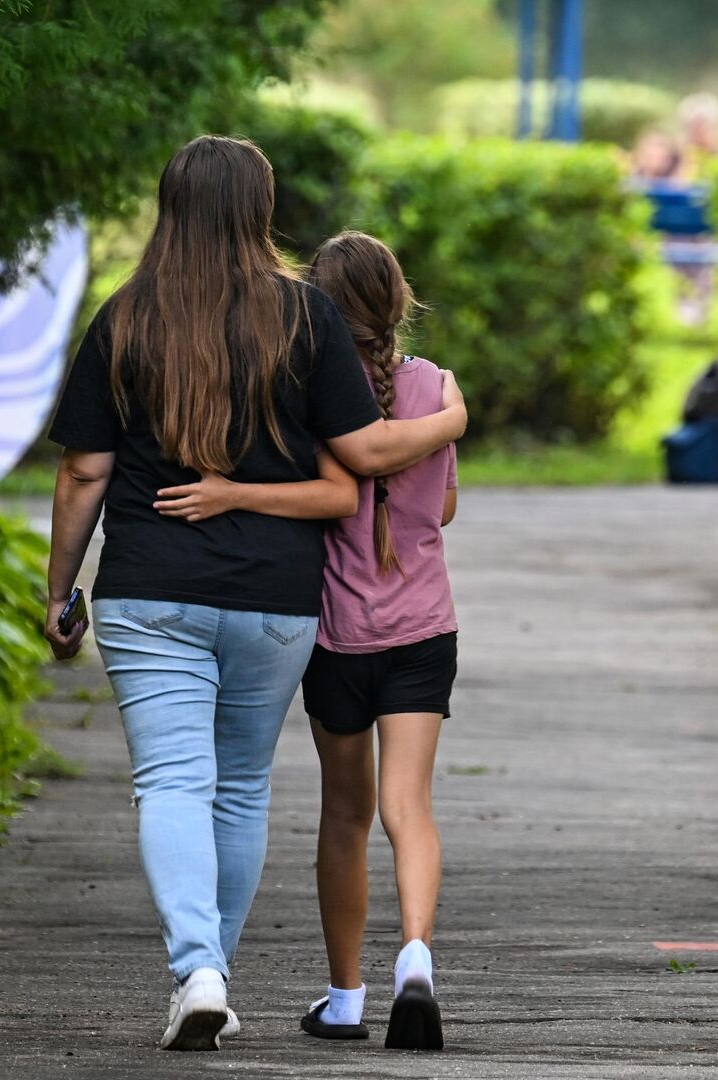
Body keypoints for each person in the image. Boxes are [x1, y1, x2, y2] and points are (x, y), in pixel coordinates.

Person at [42, 136, 466, 1053]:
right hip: (277, 600)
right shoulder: (306, 318)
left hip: (149, 589)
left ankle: (200, 970)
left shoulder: (125, 318)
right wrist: (451, 419)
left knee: (170, 780)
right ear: (260, 210)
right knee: (237, 788)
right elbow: (359, 457)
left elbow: (84, 473)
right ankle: (210, 974)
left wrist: (59, 588)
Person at [296, 232, 459, 1051]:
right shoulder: (433, 387)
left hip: (339, 636)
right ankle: (417, 960)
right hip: (425, 629)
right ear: (400, 303)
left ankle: (346, 996)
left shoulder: (312, 391)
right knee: (409, 807)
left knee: (345, 814)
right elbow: (446, 508)